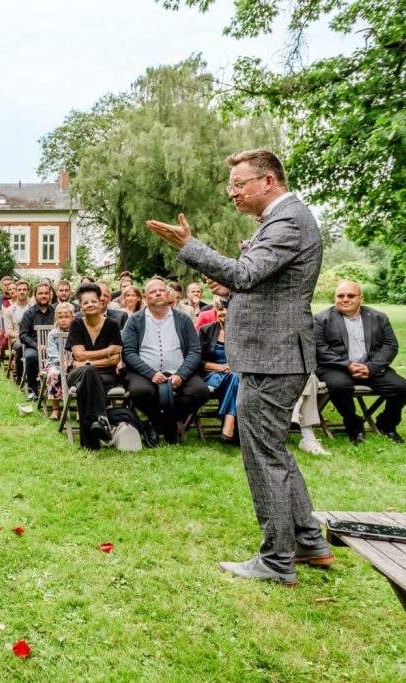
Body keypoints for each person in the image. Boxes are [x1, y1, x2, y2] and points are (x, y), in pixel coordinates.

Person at [147, 147, 332, 586]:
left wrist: (190, 247)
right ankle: (309, 541)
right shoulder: (281, 220)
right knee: (275, 451)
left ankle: (276, 560)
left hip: (275, 356)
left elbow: (247, 274)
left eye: (238, 184)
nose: (232, 193)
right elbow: (257, 282)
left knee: (263, 455)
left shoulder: (287, 220)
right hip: (274, 352)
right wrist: (229, 286)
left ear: (267, 181)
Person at [314, 280, 406, 444]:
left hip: (369, 367)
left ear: (360, 298)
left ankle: (387, 424)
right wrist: (347, 365)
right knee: (339, 386)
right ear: (335, 298)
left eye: (350, 295)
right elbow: (319, 348)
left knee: (401, 387)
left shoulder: (378, 317)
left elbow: (390, 345)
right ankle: (354, 425)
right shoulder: (322, 319)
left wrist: (370, 367)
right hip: (336, 368)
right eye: (340, 296)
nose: (345, 299)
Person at [122, 278, 210, 445]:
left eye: (161, 290)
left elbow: (194, 350)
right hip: (145, 372)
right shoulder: (135, 320)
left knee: (201, 392)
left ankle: (157, 425)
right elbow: (128, 352)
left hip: (178, 370)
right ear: (146, 298)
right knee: (139, 391)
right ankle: (168, 426)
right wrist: (150, 373)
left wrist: (182, 375)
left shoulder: (183, 319)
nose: (157, 294)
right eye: (152, 292)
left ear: (169, 294)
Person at [68, 283, 124, 448]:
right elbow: (78, 354)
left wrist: (85, 362)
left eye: (93, 301)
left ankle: (89, 442)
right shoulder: (76, 324)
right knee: (89, 373)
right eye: (85, 303)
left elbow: (115, 359)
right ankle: (102, 418)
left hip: (105, 376)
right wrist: (107, 350)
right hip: (76, 375)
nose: (90, 305)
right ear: (81, 306)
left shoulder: (112, 325)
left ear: (101, 303)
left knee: (88, 378)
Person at [198, 297, 239, 443]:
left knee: (235, 376)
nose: (224, 312)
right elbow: (198, 360)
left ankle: (228, 422)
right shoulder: (206, 330)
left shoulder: (242, 332)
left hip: (235, 374)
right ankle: (229, 422)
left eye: (228, 309)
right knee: (236, 378)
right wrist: (221, 367)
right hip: (212, 375)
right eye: (220, 309)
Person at [18, 283, 56, 401]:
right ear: (35, 295)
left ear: (50, 295)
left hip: (54, 347)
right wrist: (37, 346)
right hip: (34, 347)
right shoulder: (29, 313)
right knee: (30, 357)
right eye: (40, 293)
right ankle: (33, 390)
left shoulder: (56, 312)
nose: (43, 296)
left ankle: (60, 388)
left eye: (46, 293)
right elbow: (23, 335)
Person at [44, 303, 75, 421]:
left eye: (66, 317)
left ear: (72, 317)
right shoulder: (53, 334)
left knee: (80, 373)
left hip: (73, 363)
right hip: (56, 363)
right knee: (54, 374)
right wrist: (63, 363)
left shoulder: (76, 332)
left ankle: (78, 410)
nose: (63, 320)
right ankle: (56, 409)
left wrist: (70, 363)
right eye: (60, 317)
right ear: (56, 318)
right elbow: (52, 354)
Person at [4, 280, 32, 386]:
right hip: (17, 339)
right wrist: (21, 336)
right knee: (21, 346)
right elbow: (8, 331)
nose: (22, 292)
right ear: (16, 291)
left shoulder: (33, 308)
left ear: (28, 291)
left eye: (24, 290)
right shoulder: (9, 310)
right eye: (19, 289)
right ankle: (20, 376)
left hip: (32, 338)